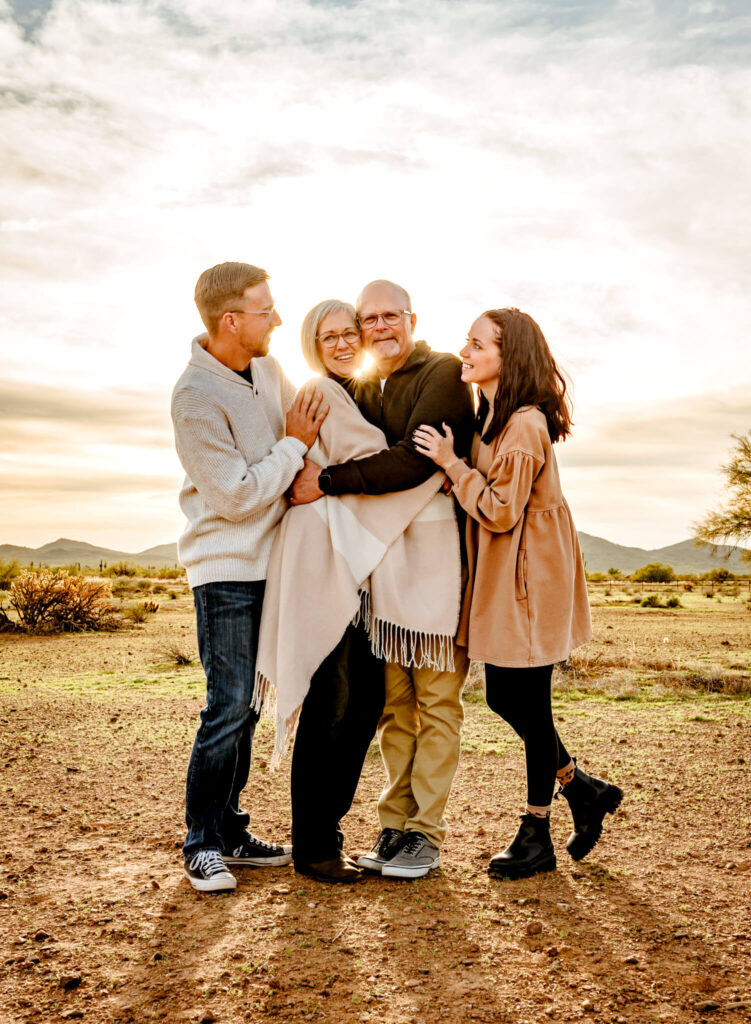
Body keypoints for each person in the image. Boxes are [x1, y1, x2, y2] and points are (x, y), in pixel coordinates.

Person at [256, 299, 462, 882]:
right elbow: (381, 463)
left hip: (353, 568)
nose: (346, 342)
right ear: (312, 345)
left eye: (352, 332)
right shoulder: (323, 390)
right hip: (324, 559)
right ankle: (315, 844)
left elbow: (381, 470)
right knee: (337, 702)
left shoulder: (366, 392)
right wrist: (439, 475)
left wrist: (430, 470)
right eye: (331, 336)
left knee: (364, 702)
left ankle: (332, 833)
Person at [413, 307, 622, 880]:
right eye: (468, 342)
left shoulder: (525, 423)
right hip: (509, 577)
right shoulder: (492, 416)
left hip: (530, 579)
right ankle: (583, 788)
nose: (467, 351)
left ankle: (537, 834)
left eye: (478, 344)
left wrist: (452, 464)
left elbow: (502, 512)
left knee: (527, 701)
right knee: (509, 698)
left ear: (510, 356)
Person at [171, 261, 328, 893]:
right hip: (227, 566)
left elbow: (311, 436)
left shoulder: (268, 369)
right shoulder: (194, 396)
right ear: (231, 320)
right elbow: (236, 495)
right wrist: (292, 449)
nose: (279, 320)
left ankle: (231, 829)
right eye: (267, 311)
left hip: (278, 561)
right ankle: (201, 842)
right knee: (228, 705)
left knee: (252, 705)